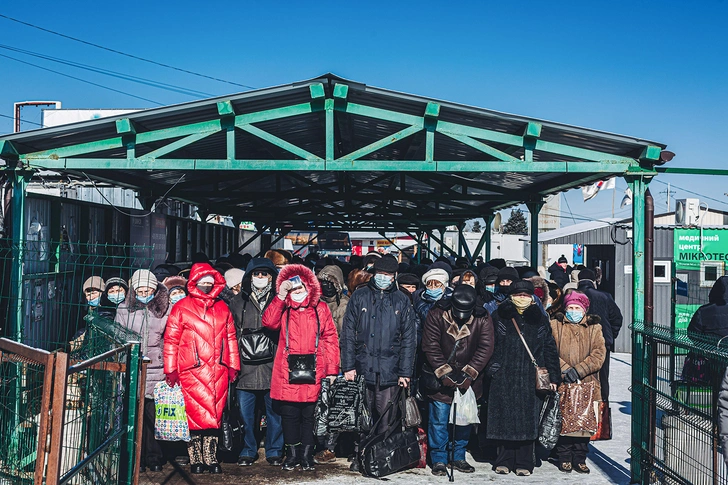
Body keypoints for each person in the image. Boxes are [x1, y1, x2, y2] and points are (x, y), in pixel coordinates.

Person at [341, 255, 417, 473]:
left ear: (394, 277)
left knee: (386, 417)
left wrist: (405, 372)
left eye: (388, 275)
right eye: (381, 274)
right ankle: (360, 453)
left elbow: (409, 339)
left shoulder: (402, 300)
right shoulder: (360, 296)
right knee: (362, 416)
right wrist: (348, 366)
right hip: (362, 366)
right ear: (374, 274)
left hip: (390, 369)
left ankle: (380, 455)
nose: (384, 278)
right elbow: (348, 334)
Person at [163, 263, 240, 474]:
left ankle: (211, 457)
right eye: (202, 282)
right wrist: (171, 370)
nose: (206, 285)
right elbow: (171, 340)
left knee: (214, 417)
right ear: (194, 282)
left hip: (218, 369)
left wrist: (233, 365)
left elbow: (231, 338)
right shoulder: (181, 308)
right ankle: (195, 458)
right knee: (194, 416)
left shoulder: (223, 307)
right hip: (191, 369)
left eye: (210, 282)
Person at [262, 264, 340, 472]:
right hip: (287, 370)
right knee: (289, 415)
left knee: (309, 415)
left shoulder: (320, 308)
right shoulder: (284, 308)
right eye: (293, 289)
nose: (297, 293)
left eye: (300, 288)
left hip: (315, 368)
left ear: (309, 288)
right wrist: (280, 296)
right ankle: (292, 454)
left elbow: (330, 338)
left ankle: (306, 454)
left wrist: (332, 370)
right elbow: (268, 322)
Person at [486, 280, 561, 476]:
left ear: (532, 298)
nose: (522, 298)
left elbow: (549, 349)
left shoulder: (540, 318)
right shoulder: (499, 316)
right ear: (511, 296)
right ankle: (503, 460)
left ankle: (525, 462)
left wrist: (553, 375)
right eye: (518, 295)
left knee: (528, 422)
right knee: (504, 421)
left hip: (530, 377)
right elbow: (489, 344)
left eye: (526, 295)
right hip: (504, 376)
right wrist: (493, 368)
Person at [422, 285, 494, 476]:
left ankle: (458, 455)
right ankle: (439, 458)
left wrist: (469, 373)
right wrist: (444, 372)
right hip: (440, 379)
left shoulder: (482, 317)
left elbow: (485, 347)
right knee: (438, 419)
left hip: (468, 380)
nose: (461, 316)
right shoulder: (437, 313)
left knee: (463, 420)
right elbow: (430, 345)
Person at [115, 270, 170, 473]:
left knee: (152, 414)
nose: (144, 292)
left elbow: (169, 337)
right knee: (132, 415)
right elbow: (118, 336)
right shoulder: (124, 309)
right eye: (140, 289)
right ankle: (133, 457)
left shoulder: (164, 309)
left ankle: (154, 456)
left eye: (148, 289)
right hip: (132, 367)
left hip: (156, 368)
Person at [233, 257, 284, 466]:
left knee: (275, 414)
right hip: (245, 369)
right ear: (249, 277)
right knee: (246, 414)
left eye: (265, 274)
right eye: (257, 274)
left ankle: (274, 450)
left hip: (273, 367)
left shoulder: (280, 301)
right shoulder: (237, 302)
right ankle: (248, 449)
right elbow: (231, 332)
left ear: (273, 278)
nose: (261, 278)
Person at [550, 291, 606, 474]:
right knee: (564, 423)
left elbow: (599, 354)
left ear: (584, 310)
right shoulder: (555, 325)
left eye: (577, 308)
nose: (574, 311)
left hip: (587, 382)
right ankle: (564, 457)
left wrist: (579, 370)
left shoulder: (594, 327)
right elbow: (549, 351)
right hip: (564, 382)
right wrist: (565, 370)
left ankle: (580, 458)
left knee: (584, 424)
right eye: (570, 308)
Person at [314, 264, 350, 464]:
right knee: (319, 407)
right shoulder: (314, 302)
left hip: (338, 364)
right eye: (323, 282)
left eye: (331, 282)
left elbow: (346, 338)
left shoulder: (344, 304)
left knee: (336, 406)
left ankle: (330, 446)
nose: (326, 286)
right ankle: (317, 443)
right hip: (317, 363)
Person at [577, 268, 623, 402]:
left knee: (580, 375)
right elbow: (617, 318)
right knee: (602, 378)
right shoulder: (605, 296)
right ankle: (602, 411)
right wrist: (609, 335)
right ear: (593, 280)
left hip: (578, 343)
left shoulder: (572, 297)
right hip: (602, 343)